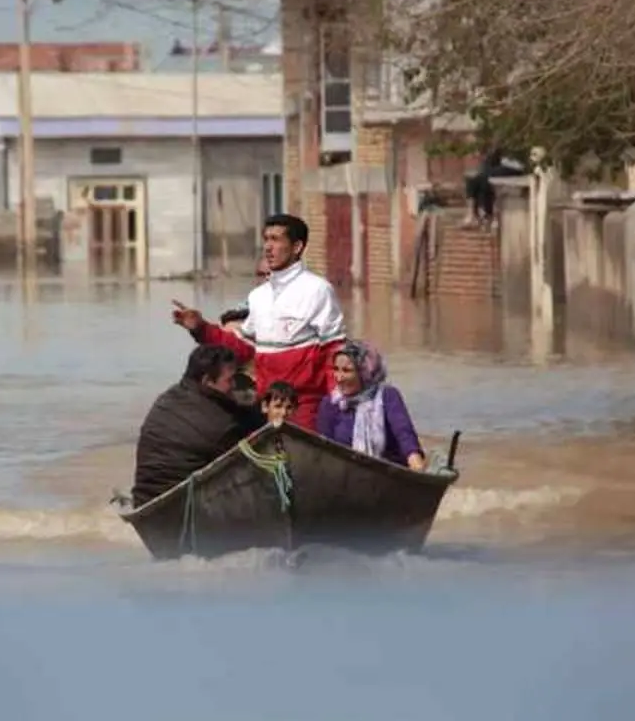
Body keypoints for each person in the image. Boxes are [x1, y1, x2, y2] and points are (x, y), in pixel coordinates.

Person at [171, 213, 346, 431]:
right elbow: (242, 350)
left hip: (303, 405)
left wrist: (340, 404)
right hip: (266, 404)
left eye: (276, 239)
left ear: (297, 247)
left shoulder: (317, 290)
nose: (268, 247)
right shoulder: (258, 296)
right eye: (266, 239)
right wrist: (201, 328)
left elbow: (335, 352)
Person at [130, 344, 262, 508]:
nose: (234, 385)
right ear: (207, 381)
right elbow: (247, 458)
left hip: (144, 498)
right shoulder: (221, 425)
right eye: (230, 380)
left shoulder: (169, 397)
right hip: (184, 506)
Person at [316, 340, 428, 471]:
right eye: (336, 369)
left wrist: (416, 464)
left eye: (347, 371)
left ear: (364, 372)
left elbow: (404, 434)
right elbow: (325, 448)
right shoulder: (331, 403)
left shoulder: (387, 396)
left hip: (387, 473)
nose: (339, 378)